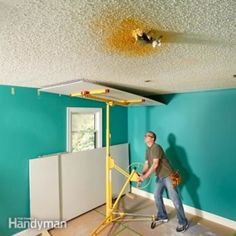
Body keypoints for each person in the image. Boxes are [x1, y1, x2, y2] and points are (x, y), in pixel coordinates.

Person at [138, 131, 189, 232]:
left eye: (147, 136)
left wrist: (145, 177)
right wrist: (142, 174)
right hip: (160, 177)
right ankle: (162, 216)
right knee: (156, 195)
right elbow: (147, 164)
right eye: (144, 135)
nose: (144, 137)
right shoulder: (148, 149)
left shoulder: (156, 147)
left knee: (175, 199)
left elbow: (155, 164)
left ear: (152, 138)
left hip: (168, 176)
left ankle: (183, 222)